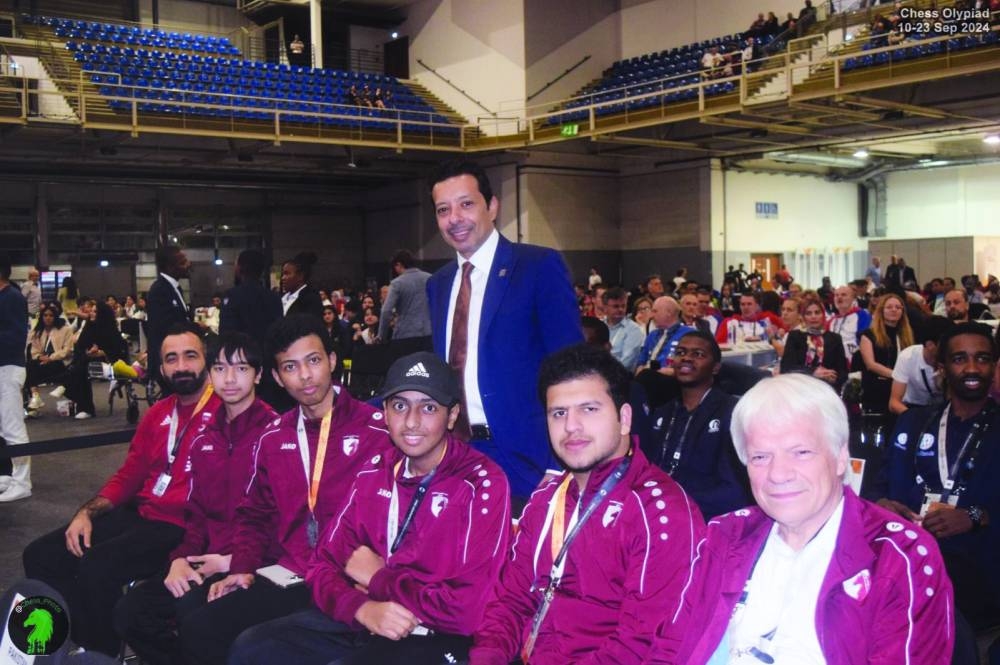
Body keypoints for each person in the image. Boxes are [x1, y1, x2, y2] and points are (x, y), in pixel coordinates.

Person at [645, 373, 954, 664]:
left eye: (801, 452)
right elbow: (672, 646)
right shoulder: (726, 535)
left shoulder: (898, 556)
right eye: (760, 457)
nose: (778, 474)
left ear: (840, 456)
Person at [228, 352, 511, 665]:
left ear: (452, 414)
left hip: (435, 631)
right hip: (367, 613)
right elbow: (322, 565)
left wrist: (378, 578)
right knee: (253, 648)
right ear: (385, 414)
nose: (412, 421)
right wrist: (361, 608)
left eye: (428, 407)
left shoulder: (482, 483)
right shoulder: (375, 470)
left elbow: (467, 610)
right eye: (400, 406)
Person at [469, 344, 705, 664]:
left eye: (589, 409)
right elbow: (510, 602)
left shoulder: (660, 511)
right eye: (559, 413)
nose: (571, 426)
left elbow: (643, 644)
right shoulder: (546, 500)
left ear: (624, 418)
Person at [178, 314, 391, 665]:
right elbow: (255, 513)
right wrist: (243, 568)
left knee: (253, 648)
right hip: (292, 573)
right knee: (201, 627)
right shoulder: (274, 437)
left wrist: (383, 578)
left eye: (314, 360)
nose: (305, 376)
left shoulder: (378, 433)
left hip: (348, 581)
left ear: (332, 361)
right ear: (277, 377)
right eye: (291, 367)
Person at [22, 322, 220, 655]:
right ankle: (82, 638)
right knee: (40, 556)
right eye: (171, 359)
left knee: (97, 566)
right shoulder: (158, 413)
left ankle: (101, 652)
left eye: (190, 356)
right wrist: (86, 512)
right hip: (141, 513)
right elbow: (129, 475)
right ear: (161, 366)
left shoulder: (226, 411)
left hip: (181, 525)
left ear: (207, 360)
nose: (181, 366)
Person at [113, 332, 278, 665]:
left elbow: (281, 522)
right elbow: (197, 514)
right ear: (210, 374)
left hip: (256, 563)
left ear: (259, 374)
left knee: (195, 619)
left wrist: (234, 562)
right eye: (220, 368)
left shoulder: (278, 435)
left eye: (241, 368)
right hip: (207, 559)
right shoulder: (205, 439)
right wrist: (179, 559)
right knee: (132, 611)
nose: (229, 379)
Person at [425, 160, 582, 500]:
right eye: (443, 210)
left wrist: (559, 462)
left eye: (466, 204)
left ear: (492, 206)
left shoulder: (538, 266)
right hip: (456, 456)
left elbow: (573, 369)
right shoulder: (437, 286)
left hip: (530, 459)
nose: (455, 218)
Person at [882, 322, 1000, 629]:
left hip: (979, 572)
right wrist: (881, 504)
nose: (972, 368)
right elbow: (878, 484)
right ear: (942, 367)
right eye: (960, 359)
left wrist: (976, 516)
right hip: (907, 567)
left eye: (983, 358)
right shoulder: (913, 422)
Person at [646, 331, 749, 518]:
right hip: (656, 514)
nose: (686, 358)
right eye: (680, 352)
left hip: (707, 519)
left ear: (716, 368)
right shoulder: (663, 412)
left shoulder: (732, 413)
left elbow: (735, 491)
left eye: (698, 354)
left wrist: (674, 502)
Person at [63, 302, 128, 419]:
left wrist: (102, 352)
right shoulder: (89, 327)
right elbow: (80, 346)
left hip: (110, 364)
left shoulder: (111, 329)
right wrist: (89, 352)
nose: (91, 313)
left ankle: (86, 408)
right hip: (90, 360)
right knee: (78, 367)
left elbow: (118, 351)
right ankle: (81, 403)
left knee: (80, 369)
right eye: (91, 311)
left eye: (95, 311)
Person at [0, 253, 30, 502]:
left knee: (13, 428)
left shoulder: (12, 297)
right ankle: (10, 475)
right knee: (3, 426)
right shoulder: (6, 297)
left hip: (8, 368)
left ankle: (22, 482)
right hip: (3, 367)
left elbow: (16, 337)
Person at [859, 292, 914, 418]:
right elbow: (871, 364)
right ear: (881, 311)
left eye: (898, 307)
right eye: (889, 307)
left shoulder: (907, 336)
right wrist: (897, 376)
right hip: (877, 390)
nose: (894, 310)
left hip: (902, 391)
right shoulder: (868, 335)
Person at [147, 246, 193, 389]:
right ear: (170, 266)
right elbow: (166, 326)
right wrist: (195, 327)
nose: (188, 265)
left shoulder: (176, 288)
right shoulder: (159, 290)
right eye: (183, 262)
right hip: (167, 358)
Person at [780, 295, 848, 390]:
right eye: (808, 313)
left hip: (827, 388)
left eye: (817, 312)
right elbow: (786, 367)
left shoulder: (835, 338)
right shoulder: (795, 336)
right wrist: (813, 372)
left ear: (823, 315)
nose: (813, 317)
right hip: (800, 386)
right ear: (803, 317)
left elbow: (843, 371)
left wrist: (833, 378)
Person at [888, 315, 952, 415]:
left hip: (945, 409)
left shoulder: (953, 359)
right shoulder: (907, 357)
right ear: (930, 344)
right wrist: (916, 420)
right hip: (911, 408)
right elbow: (894, 403)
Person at [377, 249, 432, 351]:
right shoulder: (430, 278)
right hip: (429, 333)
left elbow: (386, 311)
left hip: (406, 335)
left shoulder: (397, 283)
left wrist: (381, 336)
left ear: (398, 265)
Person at [25, 302, 75, 412]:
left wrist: (51, 358)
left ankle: (35, 398)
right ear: (41, 317)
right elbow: (34, 352)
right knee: (29, 366)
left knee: (31, 371)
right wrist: (40, 358)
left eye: (51, 315)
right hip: (43, 362)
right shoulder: (37, 332)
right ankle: (35, 396)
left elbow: (67, 350)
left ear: (55, 317)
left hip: (61, 362)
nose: (48, 318)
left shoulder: (65, 330)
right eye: (45, 315)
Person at [826, 284, 871, 362]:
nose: (839, 297)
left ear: (853, 298)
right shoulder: (830, 321)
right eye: (836, 295)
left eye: (844, 295)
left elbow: (864, 341)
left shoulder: (862, 315)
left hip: (855, 361)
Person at [603, 286, 644, 372]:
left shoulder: (633, 329)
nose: (620, 309)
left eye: (623, 306)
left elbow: (626, 363)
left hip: (620, 377)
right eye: (616, 306)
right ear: (605, 307)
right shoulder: (599, 325)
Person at [280, 252, 324, 320]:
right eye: (283, 274)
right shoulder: (282, 297)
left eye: (287, 274)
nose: (283, 278)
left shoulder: (311, 299)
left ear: (300, 276)